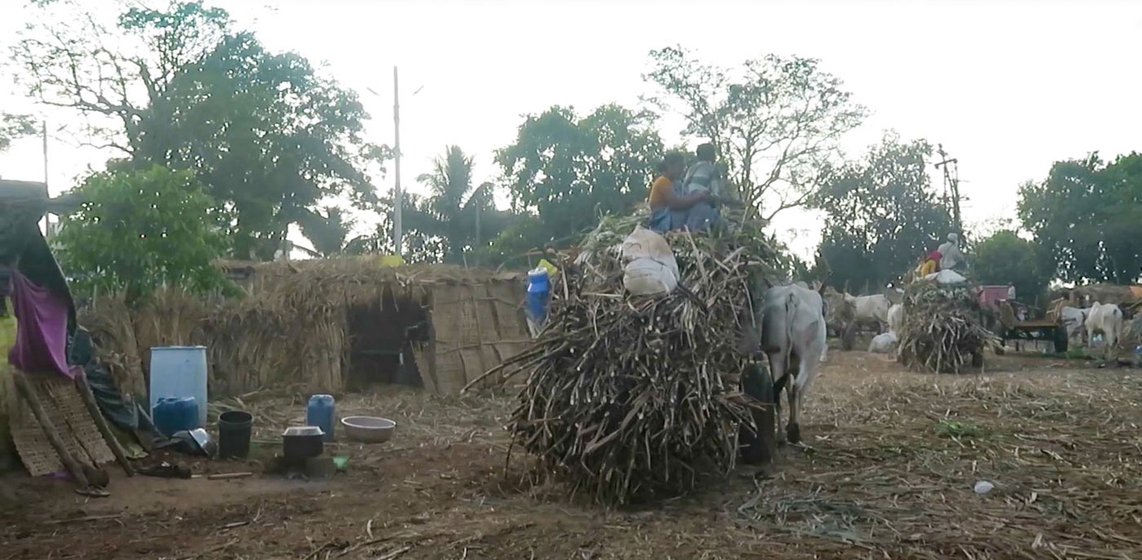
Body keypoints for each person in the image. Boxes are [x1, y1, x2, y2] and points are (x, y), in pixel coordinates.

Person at [647, 152, 709, 233]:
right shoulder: (663, 181)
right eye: (680, 167)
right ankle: (692, 230)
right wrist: (698, 197)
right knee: (698, 209)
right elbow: (675, 204)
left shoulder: (676, 183)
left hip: (671, 216)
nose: (682, 170)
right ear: (670, 166)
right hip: (663, 220)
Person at [681, 143, 725, 232]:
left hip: (688, 202)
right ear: (711, 155)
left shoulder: (692, 168)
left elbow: (685, 186)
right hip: (702, 202)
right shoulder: (712, 169)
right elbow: (716, 194)